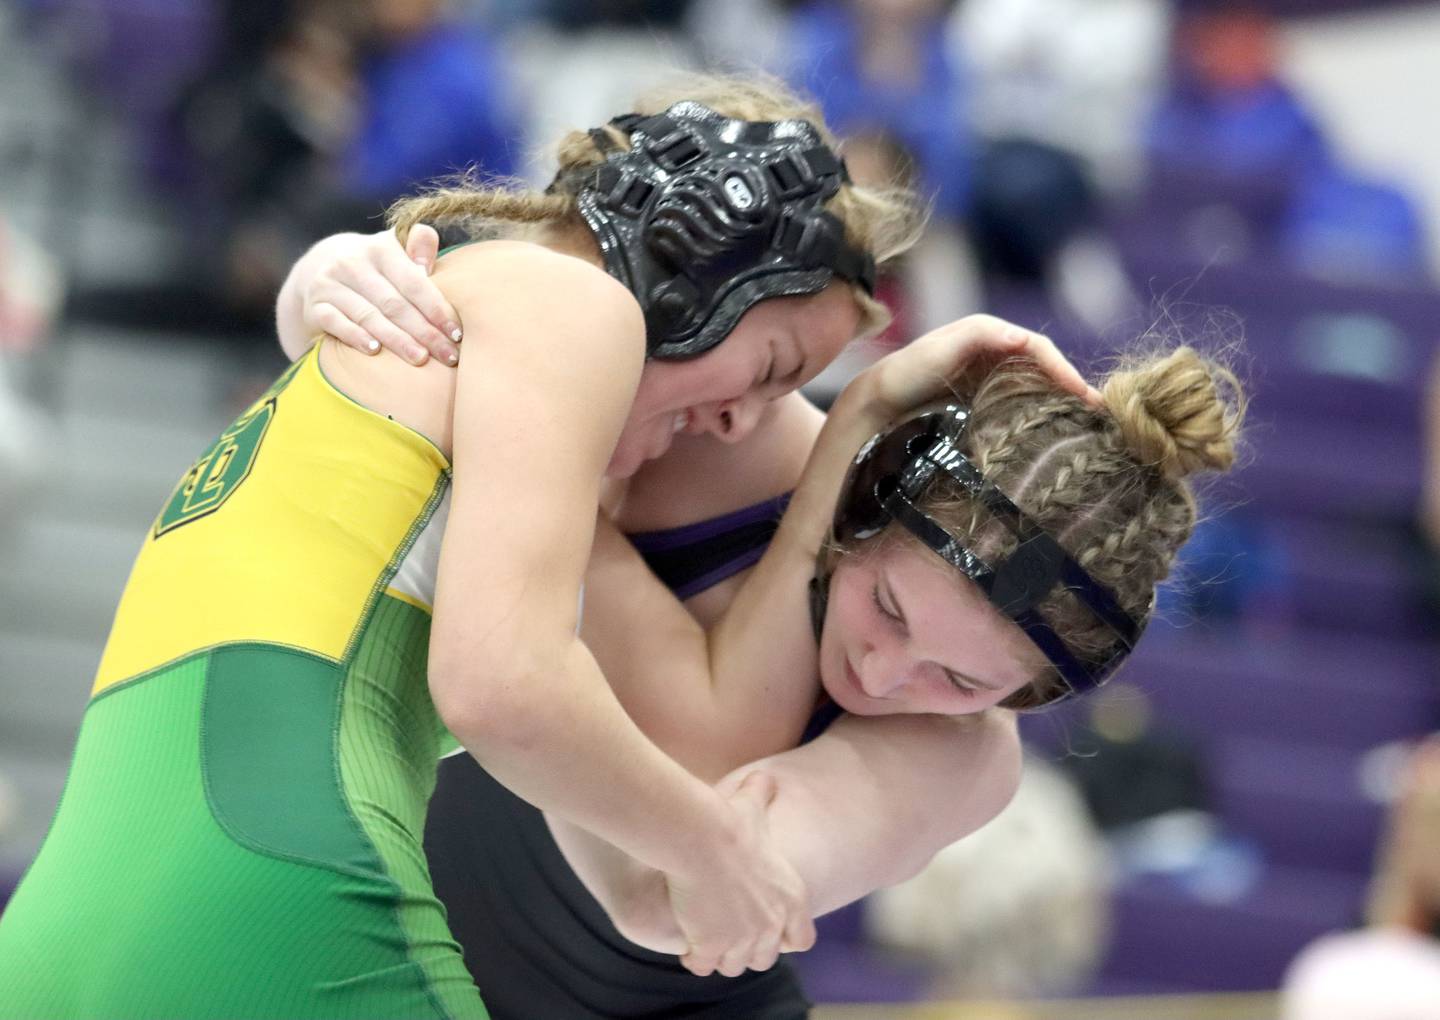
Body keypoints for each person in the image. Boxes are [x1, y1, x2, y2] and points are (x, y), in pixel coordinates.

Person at [0, 73, 1005, 1019]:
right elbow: (503, 687)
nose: (745, 424)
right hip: (284, 870)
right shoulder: (581, 309)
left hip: (70, 909)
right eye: (771, 368)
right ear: (695, 282)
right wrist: (717, 850)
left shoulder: (452, 322)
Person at [284, 217, 1242, 1016]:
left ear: (1027, 694)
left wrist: (549, 502)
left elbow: (670, 893)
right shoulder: (742, 445)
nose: (881, 675)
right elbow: (428, 356)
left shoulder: (963, 760)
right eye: (889, 607)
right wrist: (330, 279)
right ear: (866, 508)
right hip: (391, 916)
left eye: (959, 680)